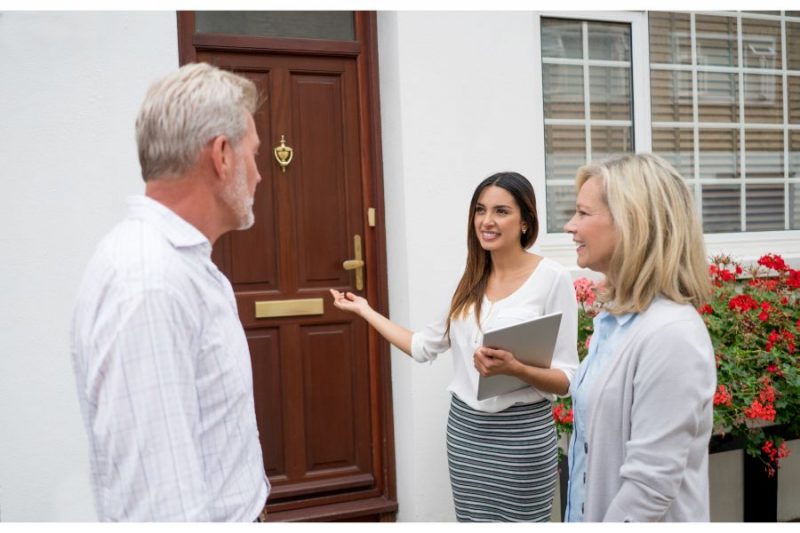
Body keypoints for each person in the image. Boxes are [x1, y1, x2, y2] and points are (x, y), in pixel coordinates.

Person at [71, 63, 269, 521]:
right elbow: (161, 508)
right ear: (221, 155)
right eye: (252, 154)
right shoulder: (149, 283)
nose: (258, 175)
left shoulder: (178, 266)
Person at [330, 172, 579, 522]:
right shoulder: (471, 279)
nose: (486, 221)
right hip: (466, 434)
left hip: (522, 439)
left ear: (525, 221)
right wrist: (364, 310)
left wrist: (515, 369)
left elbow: (568, 378)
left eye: (501, 211)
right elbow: (422, 346)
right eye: (480, 210)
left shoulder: (552, 278)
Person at [563, 153, 716, 522]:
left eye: (584, 214)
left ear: (633, 223)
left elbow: (649, 488)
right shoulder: (614, 322)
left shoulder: (671, 335)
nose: (570, 226)